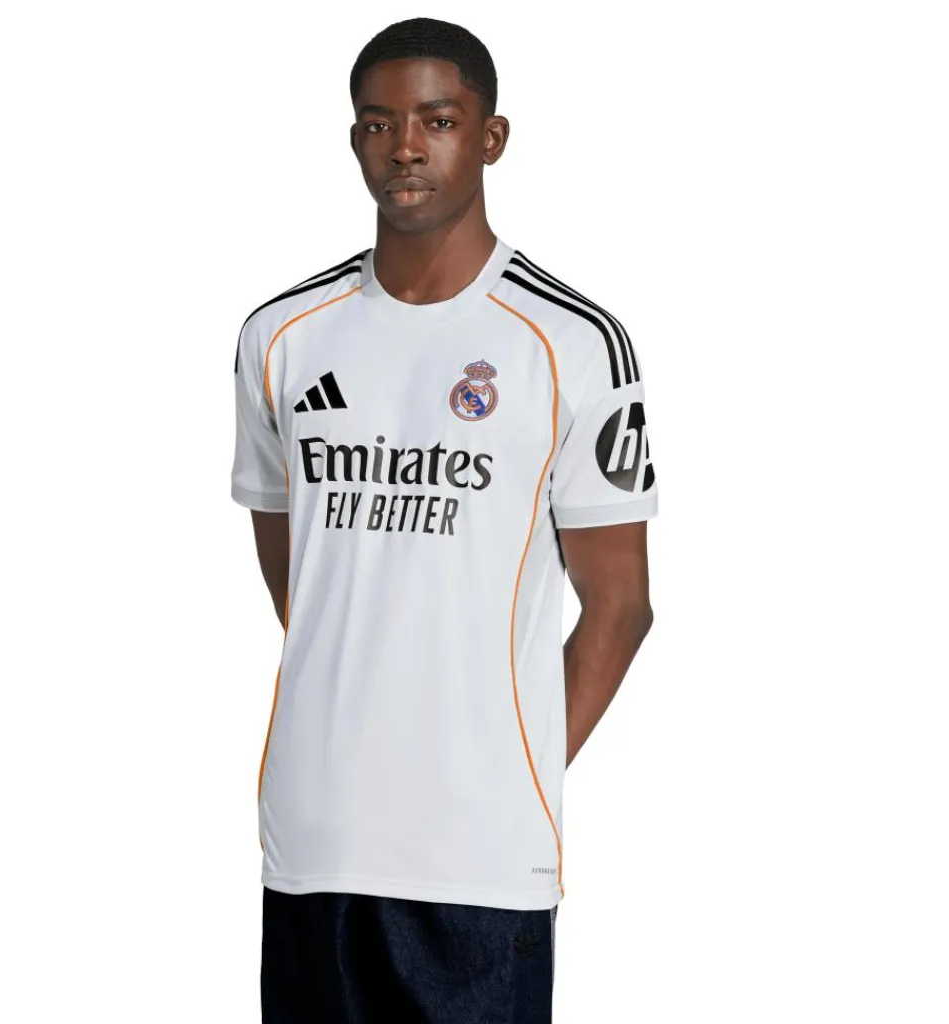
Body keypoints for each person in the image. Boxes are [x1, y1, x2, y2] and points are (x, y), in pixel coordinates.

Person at [230, 16, 657, 1023]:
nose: (406, 148)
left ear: (491, 137)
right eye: (379, 124)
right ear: (355, 140)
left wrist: (506, 766)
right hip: (315, 838)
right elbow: (301, 569)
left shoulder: (571, 342)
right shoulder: (280, 335)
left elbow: (620, 606)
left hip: (480, 858)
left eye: (438, 120)